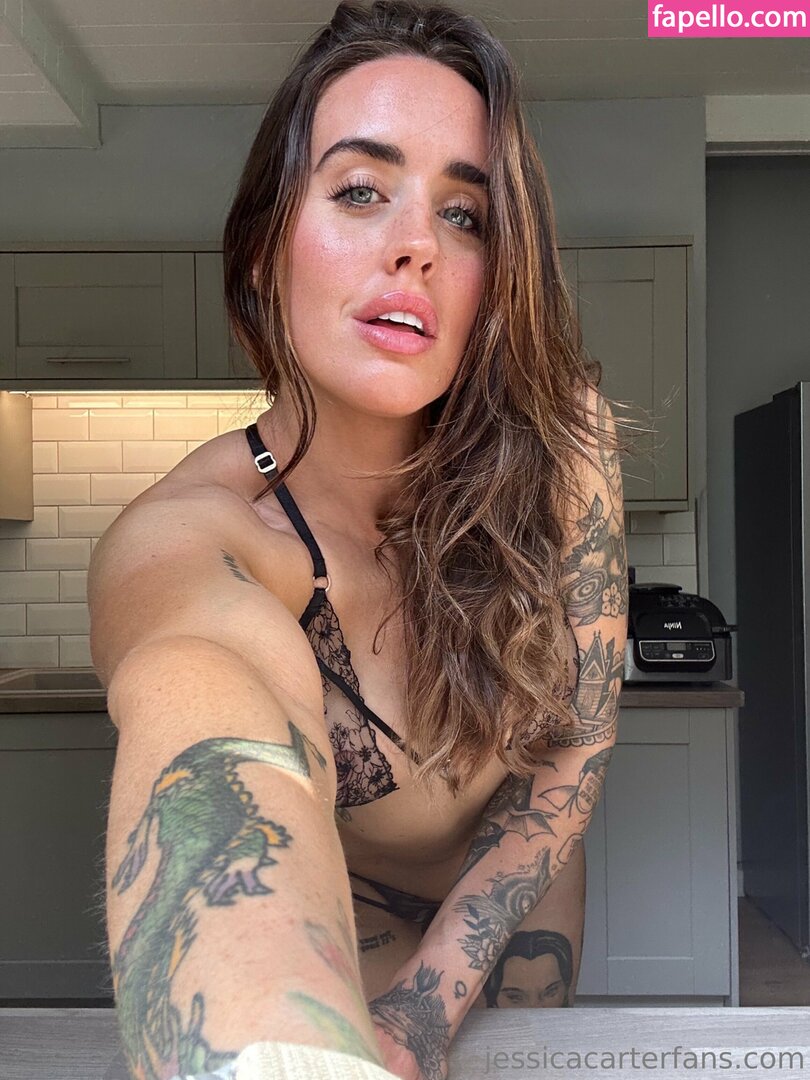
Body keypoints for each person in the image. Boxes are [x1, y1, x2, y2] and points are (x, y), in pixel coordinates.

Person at [88, 2, 631, 1078]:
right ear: (263, 251)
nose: (416, 245)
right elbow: (207, 718)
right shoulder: (195, 536)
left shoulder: (563, 443)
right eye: (359, 191)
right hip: (347, 932)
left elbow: (575, 738)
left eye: (465, 215)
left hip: (523, 924)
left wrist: (435, 1005)